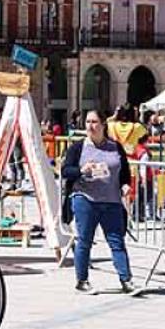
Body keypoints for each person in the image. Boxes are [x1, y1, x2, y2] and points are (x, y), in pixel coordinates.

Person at [62, 109, 133, 294]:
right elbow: (65, 171)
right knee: (84, 240)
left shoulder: (115, 147)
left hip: (112, 201)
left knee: (117, 241)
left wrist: (125, 185)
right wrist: (81, 170)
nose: (90, 126)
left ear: (103, 125)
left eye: (94, 122)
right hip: (85, 198)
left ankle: (126, 280)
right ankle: (82, 280)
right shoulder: (78, 148)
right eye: (87, 122)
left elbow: (125, 172)